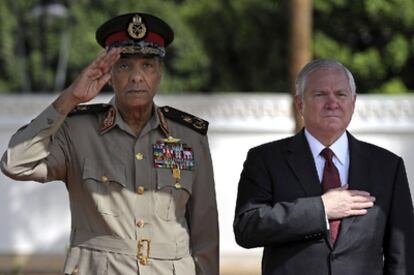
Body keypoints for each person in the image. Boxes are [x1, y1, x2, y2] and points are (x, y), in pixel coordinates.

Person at [1, 12, 219, 275]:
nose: (137, 77)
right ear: (110, 74)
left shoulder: (189, 136)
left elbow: (205, 230)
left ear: (159, 73)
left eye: (147, 65)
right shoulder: (77, 130)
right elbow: (16, 164)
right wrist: (70, 98)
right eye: (125, 66)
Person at [233, 59, 414, 275]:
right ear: (300, 104)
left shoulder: (387, 166)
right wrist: (320, 209)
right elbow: (247, 229)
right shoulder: (265, 159)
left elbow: (402, 255)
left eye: (341, 94)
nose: (332, 103)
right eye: (320, 94)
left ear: (353, 102)